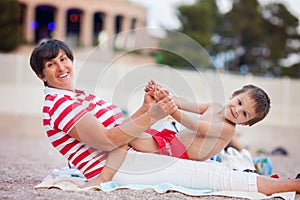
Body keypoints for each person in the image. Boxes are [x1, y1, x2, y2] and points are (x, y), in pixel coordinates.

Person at [29, 39, 300, 195]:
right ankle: (292, 185)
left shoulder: (77, 96)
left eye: (63, 59)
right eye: (51, 65)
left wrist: (147, 108)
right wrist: (155, 114)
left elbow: (121, 129)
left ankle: (288, 183)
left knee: (212, 171)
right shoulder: (62, 104)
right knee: (212, 175)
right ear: (42, 75)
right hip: (117, 165)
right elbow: (107, 141)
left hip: (127, 154)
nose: (61, 67)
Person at [130, 80, 270, 161]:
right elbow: (186, 104)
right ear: (233, 95)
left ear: (245, 123)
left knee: (132, 137)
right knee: (143, 130)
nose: (237, 110)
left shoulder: (227, 129)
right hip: (173, 139)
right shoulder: (215, 106)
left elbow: (195, 125)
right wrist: (163, 96)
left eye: (244, 114)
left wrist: (171, 109)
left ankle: (118, 132)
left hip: (179, 152)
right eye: (239, 103)